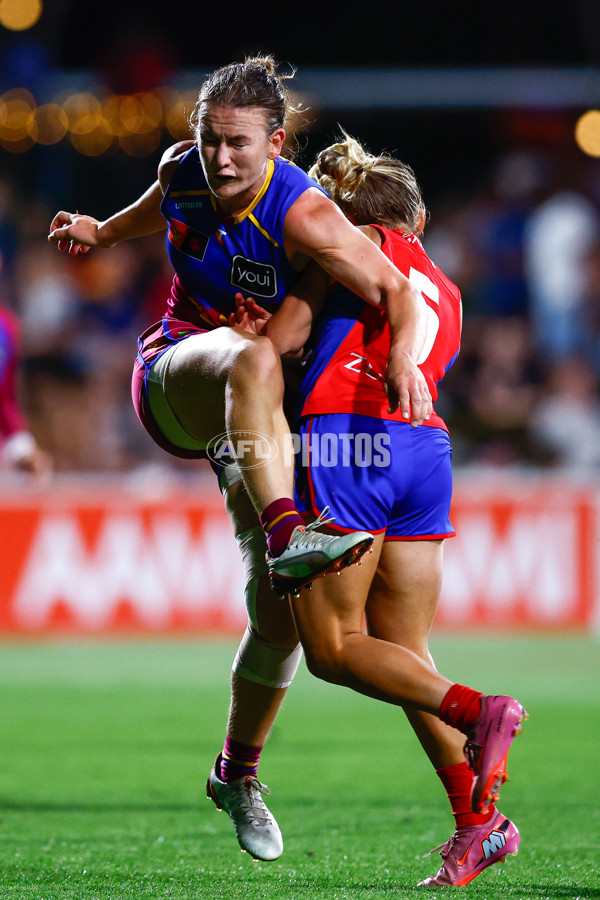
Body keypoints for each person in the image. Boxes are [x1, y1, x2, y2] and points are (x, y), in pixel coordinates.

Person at [47, 57, 434, 862]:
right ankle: (292, 531)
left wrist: (402, 360)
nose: (218, 159)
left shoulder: (307, 214)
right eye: (207, 139)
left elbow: (400, 291)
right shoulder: (184, 171)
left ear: (276, 142)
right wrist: (103, 231)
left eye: (236, 144)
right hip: (177, 376)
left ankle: (237, 771)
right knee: (249, 359)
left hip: (253, 423)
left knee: (278, 617)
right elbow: (159, 205)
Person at [232, 132, 527, 887]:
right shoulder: (445, 289)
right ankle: (477, 823)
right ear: (416, 220)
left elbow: (283, 344)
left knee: (332, 648)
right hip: (425, 453)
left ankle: (478, 709)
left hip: (351, 439)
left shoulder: (342, 250)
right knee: (402, 652)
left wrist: (250, 332)